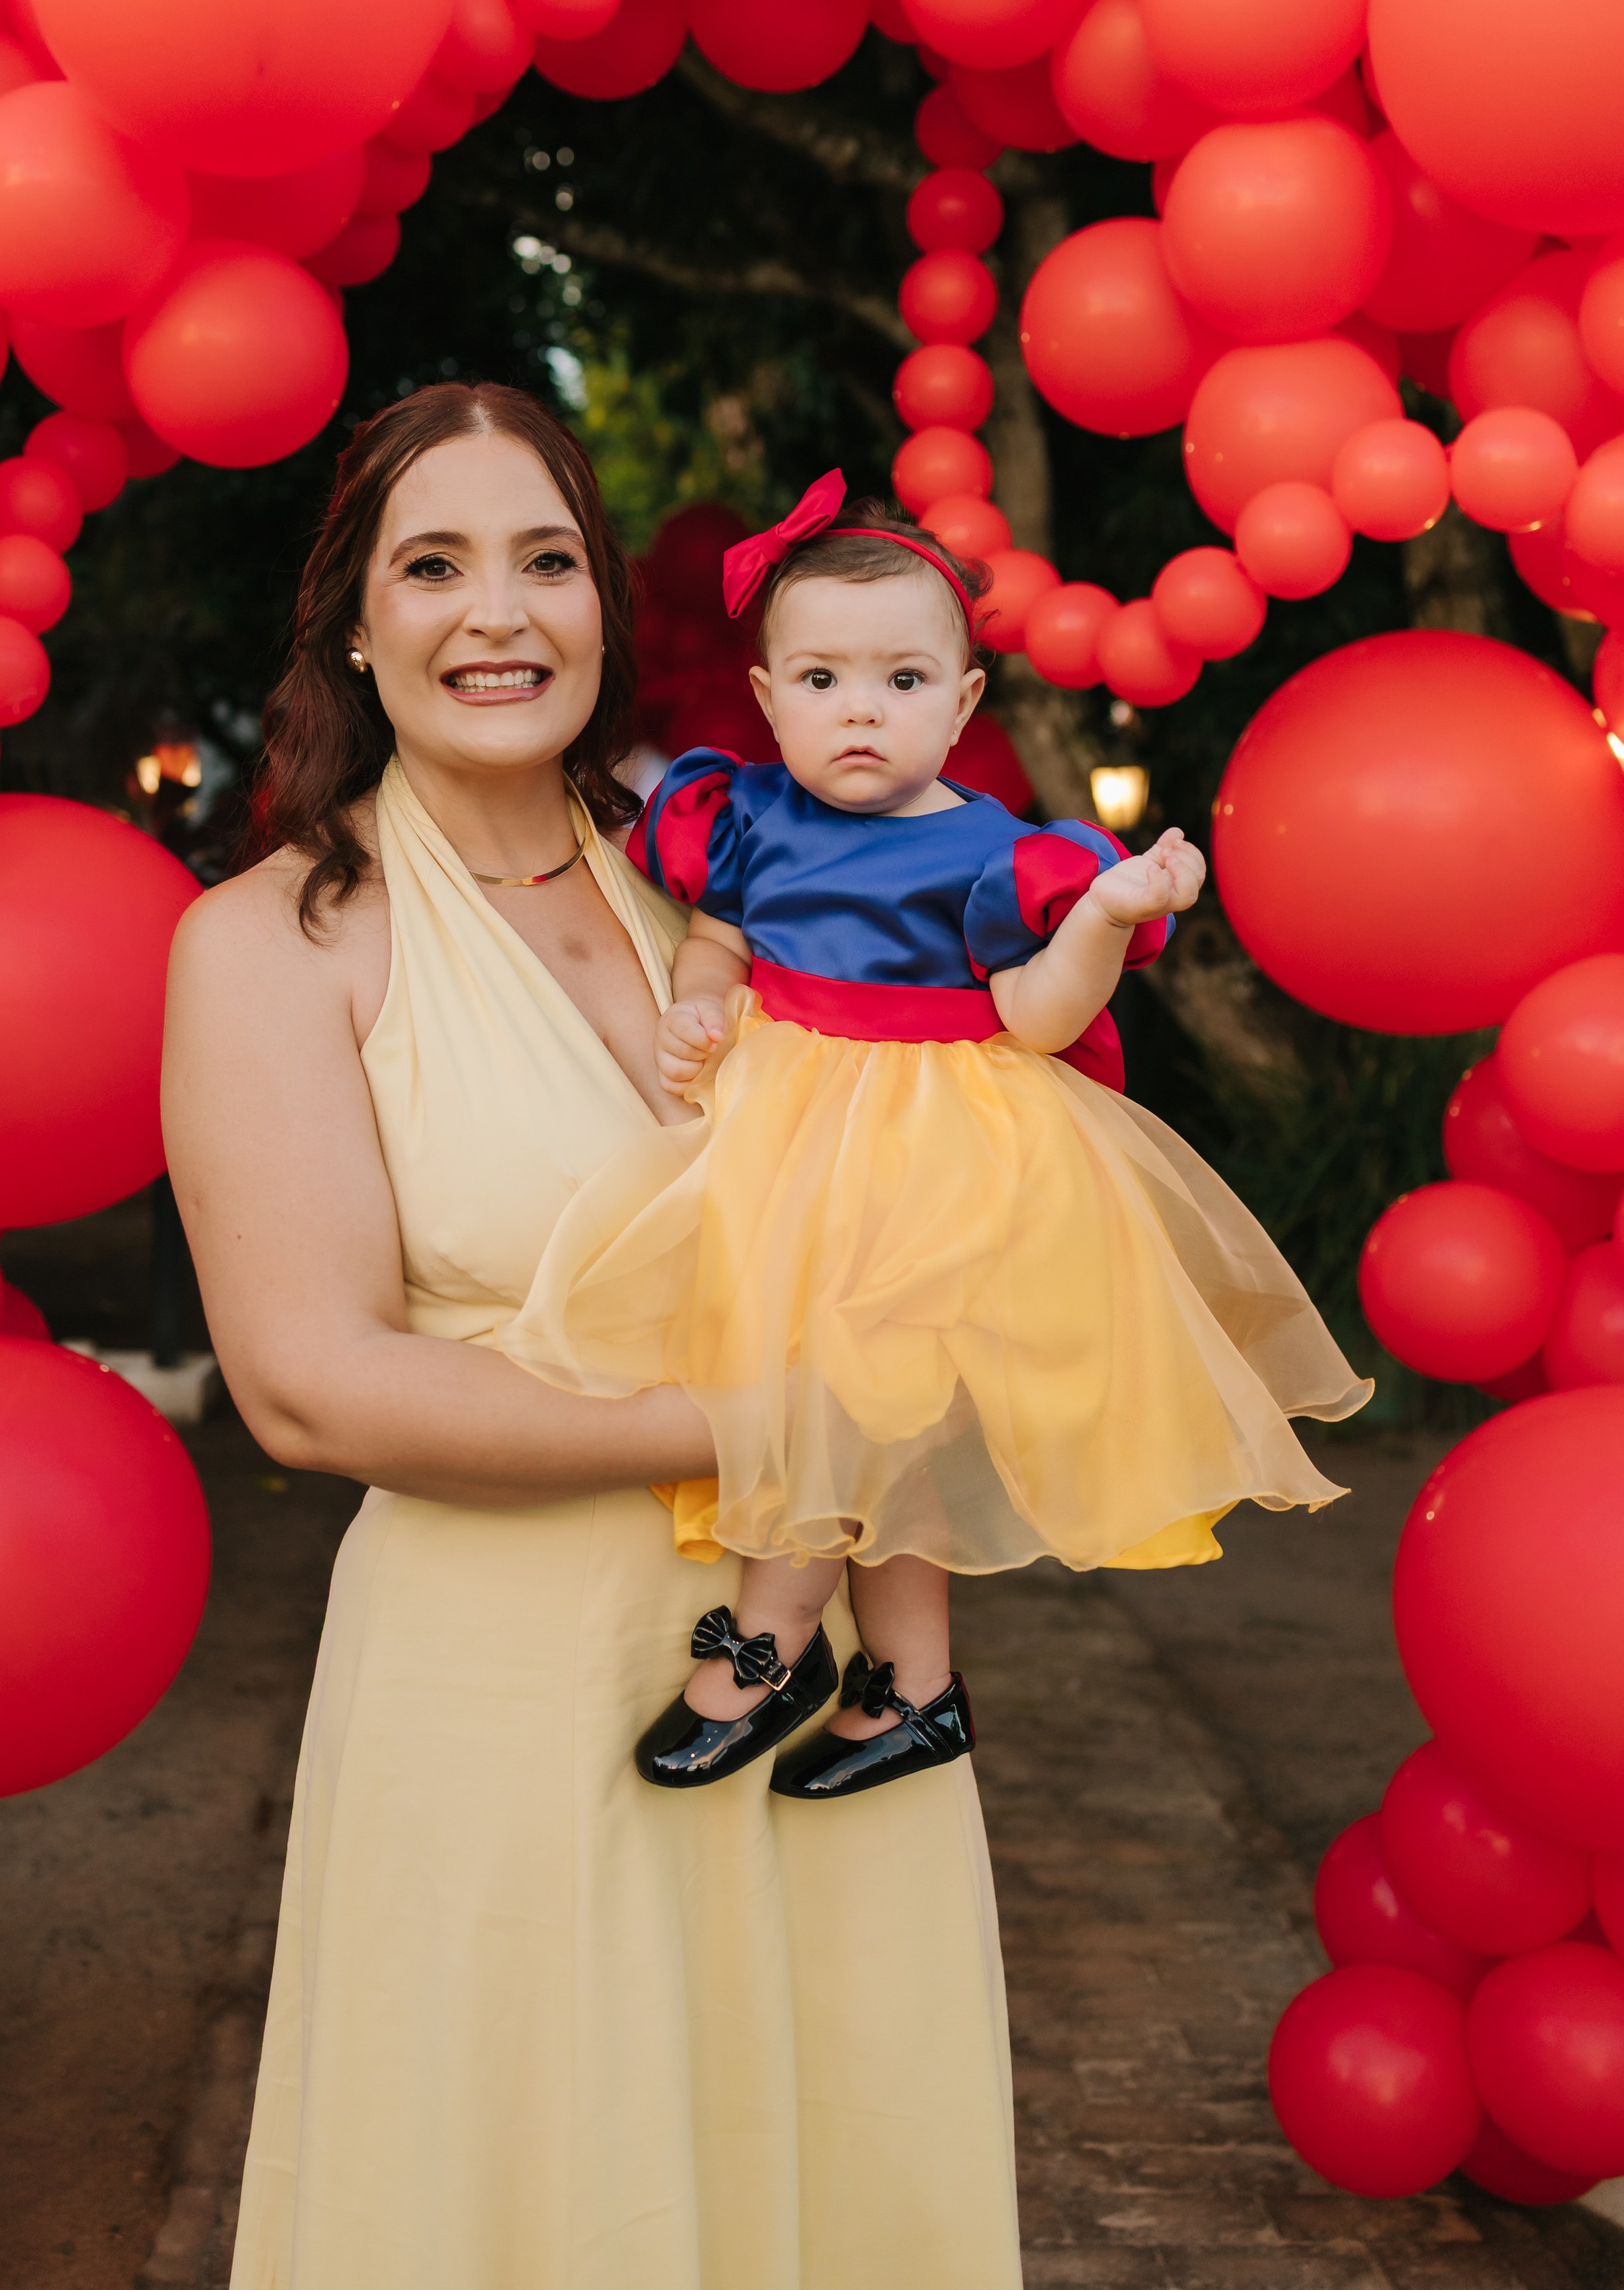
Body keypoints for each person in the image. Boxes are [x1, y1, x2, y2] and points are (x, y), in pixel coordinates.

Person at [162, 389, 1023, 2289]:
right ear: (357, 628)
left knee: (838, 2163)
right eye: (436, 565)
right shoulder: (276, 945)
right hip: (510, 1687)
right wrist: (763, 1419)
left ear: (611, 615)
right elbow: (311, 1383)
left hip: (806, 1673)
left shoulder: (737, 869)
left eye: (547, 559)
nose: (500, 613)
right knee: (547, 2194)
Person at [505, 473, 1371, 1802]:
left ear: (965, 703)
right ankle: (916, 1691)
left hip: (937, 1147)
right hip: (787, 1134)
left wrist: (1102, 917)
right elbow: (722, 945)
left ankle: (770, 1643)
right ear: (768, 694)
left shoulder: (995, 853)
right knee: (853, 1423)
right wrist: (696, 1005)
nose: (863, 710)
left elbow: (1033, 1018)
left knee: (846, 1401)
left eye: (906, 680)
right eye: (825, 680)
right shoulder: (741, 816)